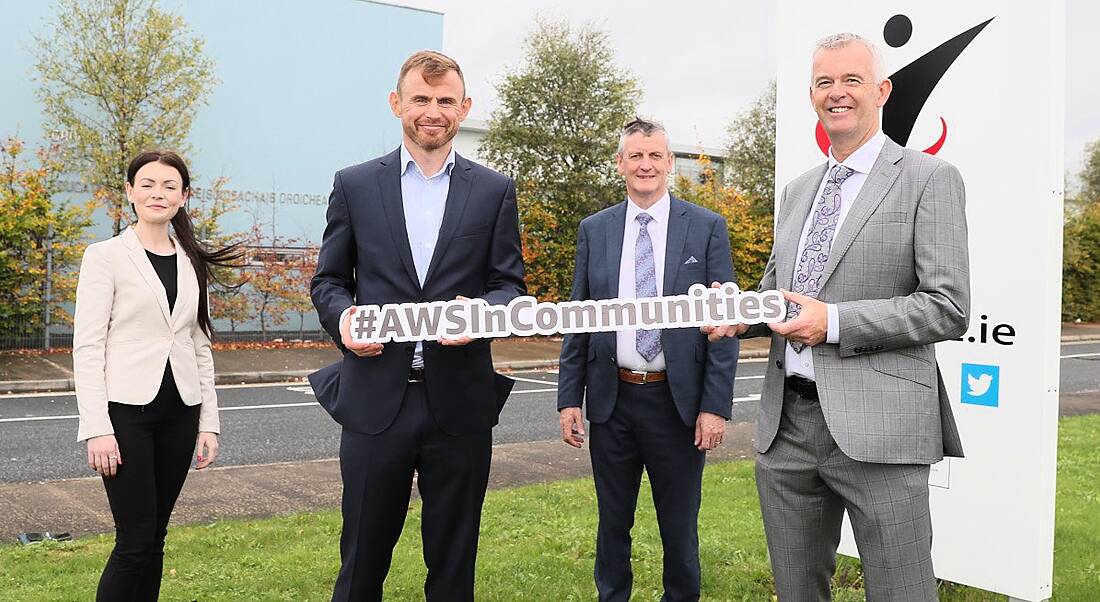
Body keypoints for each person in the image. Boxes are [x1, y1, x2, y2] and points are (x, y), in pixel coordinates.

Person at [706, 33, 970, 601]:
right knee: (798, 590)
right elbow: (782, 292)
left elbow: (946, 308)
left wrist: (835, 323)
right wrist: (741, 313)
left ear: (882, 91)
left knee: (902, 592)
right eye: (825, 82)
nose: (837, 93)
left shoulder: (929, 178)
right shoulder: (798, 190)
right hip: (787, 428)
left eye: (851, 80)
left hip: (882, 428)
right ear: (811, 96)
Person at [309, 50, 525, 602]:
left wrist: (482, 316)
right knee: (361, 561)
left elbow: (509, 286)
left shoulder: (494, 190)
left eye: (446, 101)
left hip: (460, 404)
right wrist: (344, 319)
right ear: (396, 103)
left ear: (464, 107)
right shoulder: (355, 184)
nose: (434, 110)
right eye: (422, 99)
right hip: (377, 397)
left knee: (454, 566)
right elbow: (329, 281)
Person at [556, 117, 739, 602]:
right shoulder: (594, 230)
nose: (645, 165)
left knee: (679, 529)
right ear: (620, 163)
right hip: (612, 402)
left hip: (676, 406)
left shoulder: (705, 228)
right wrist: (568, 398)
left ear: (669, 164)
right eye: (635, 155)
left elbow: (724, 327)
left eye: (655, 155)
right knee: (611, 524)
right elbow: (579, 318)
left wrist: (715, 406)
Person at [73, 150, 240, 601]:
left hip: (179, 413)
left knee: (156, 538)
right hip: (125, 414)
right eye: (147, 184)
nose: (157, 193)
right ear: (129, 192)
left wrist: (209, 422)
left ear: (184, 197)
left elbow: (198, 344)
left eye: (169, 186)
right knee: (134, 541)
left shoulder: (191, 260)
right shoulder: (105, 256)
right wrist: (97, 429)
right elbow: (87, 348)